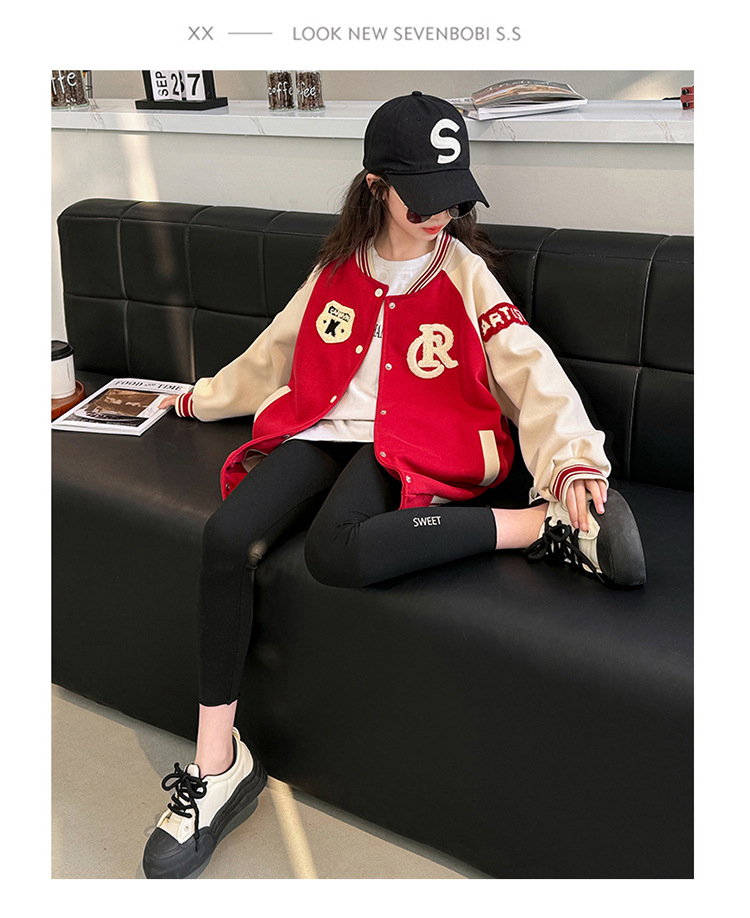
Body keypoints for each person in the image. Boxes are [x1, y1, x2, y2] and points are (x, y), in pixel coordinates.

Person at [142, 91, 646, 880]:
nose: (441, 214)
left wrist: (575, 459)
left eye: (455, 198)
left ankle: (539, 525)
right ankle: (218, 764)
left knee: (337, 550)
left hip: (410, 442)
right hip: (324, 428)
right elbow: (274, 354)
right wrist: (198, 399)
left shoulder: (465, 276)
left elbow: (531, 372)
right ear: (377, 184)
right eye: (424, 197)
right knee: (224, 536)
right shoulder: (337, 270)